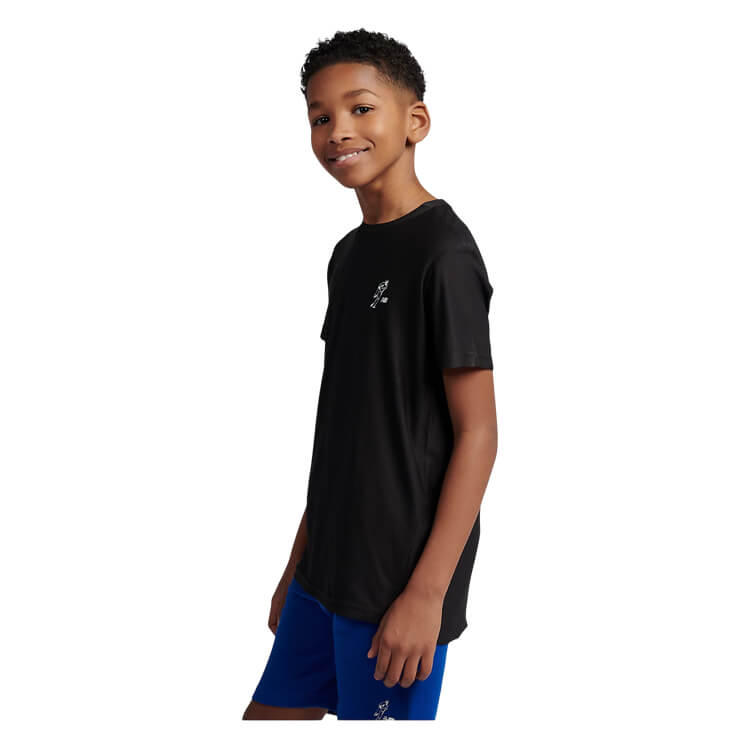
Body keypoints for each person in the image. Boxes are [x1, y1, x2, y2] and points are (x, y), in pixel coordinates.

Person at [243, 28, 498, 721]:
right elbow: (347, 426)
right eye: (319, 116)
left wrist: (427, 594)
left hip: (394, 582)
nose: (337, 131)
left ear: (415, 121)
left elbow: (478, 434)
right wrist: (298, 564)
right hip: (323, 569)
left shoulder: (444, 253)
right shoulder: (349, 255)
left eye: (360, 109)